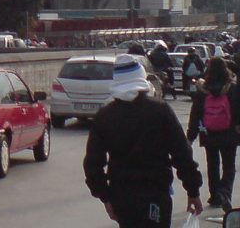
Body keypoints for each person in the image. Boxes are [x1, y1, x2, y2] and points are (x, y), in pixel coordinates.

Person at [84, 54, 203, 228]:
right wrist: (193, 190)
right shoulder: (160, 111)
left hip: (122, 196)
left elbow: (93, 164)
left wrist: (105, 196)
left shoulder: (105, 116)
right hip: (156, 194)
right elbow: (182, 153)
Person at [186, 57, 239, 212]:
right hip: (229, 132)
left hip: (208, 133)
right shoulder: (232, 88)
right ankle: (225, 191)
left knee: (212, 165)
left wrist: (191, 136)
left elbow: (195, 114)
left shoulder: (202, 90)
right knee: (229, 165)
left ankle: (215, 196)